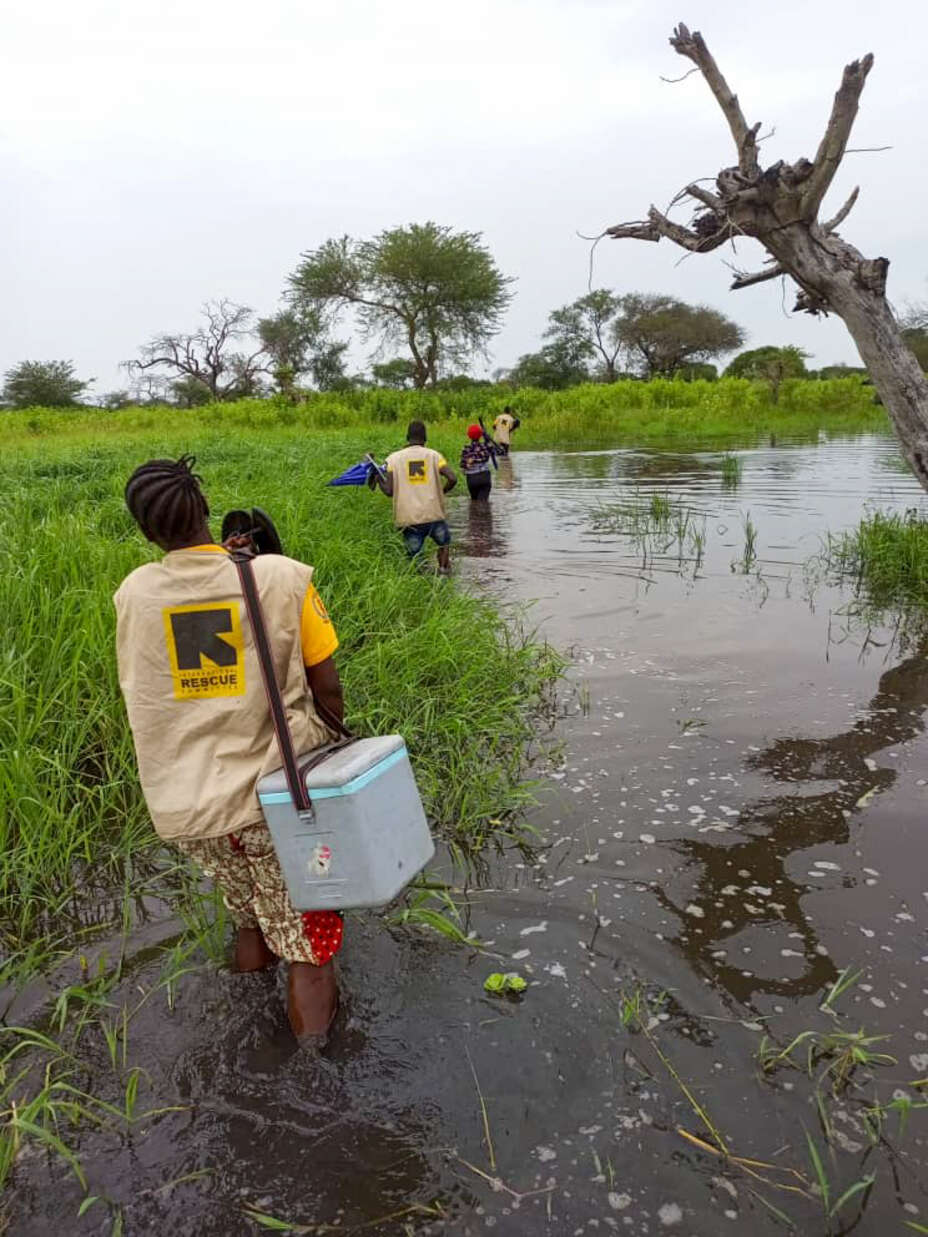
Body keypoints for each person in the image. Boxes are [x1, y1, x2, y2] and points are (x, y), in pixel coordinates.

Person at [114, 456, 344, 1042]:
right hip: (271, 799)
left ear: (145, 530)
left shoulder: (135, 594)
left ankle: (249, 1036)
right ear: (206, 509)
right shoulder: (280, 576)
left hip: (192, 809)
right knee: (307, 943)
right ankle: (320, 1081)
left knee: (249, 918)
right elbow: (328, 687)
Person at [375, 420, 457, 573]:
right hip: (434, 514)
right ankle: (444, 574)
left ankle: (421, 584)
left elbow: (389, 491)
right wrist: (441, 492)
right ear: (425, 438)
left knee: (414, 559)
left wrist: (379, 479)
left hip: (409, 518)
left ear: (407, 437)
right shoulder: (434, 456)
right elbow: (452, 478)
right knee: (443, 544)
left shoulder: (393, 459)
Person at [459, 423, 495, 501]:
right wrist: (488, 439)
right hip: (484, 476)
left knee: (474, 501)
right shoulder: (485, 446)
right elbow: (493, 450)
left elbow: (462, 465)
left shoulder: (466, 448)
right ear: (480, 435)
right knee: (483, 502)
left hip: (472, 479)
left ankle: (475, 513)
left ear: (469, 435)